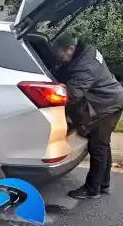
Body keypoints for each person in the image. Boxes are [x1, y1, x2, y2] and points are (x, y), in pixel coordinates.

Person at [52, 33, 123, 199]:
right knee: (103, 145)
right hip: (111, 99)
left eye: (61, 55)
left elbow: (73, 95)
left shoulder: (85, 66)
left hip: (107, 105)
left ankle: (92, 189)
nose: (60, 59)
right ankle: (103, 184)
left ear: (70, 49)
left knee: (98, 147)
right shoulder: (86, 51)